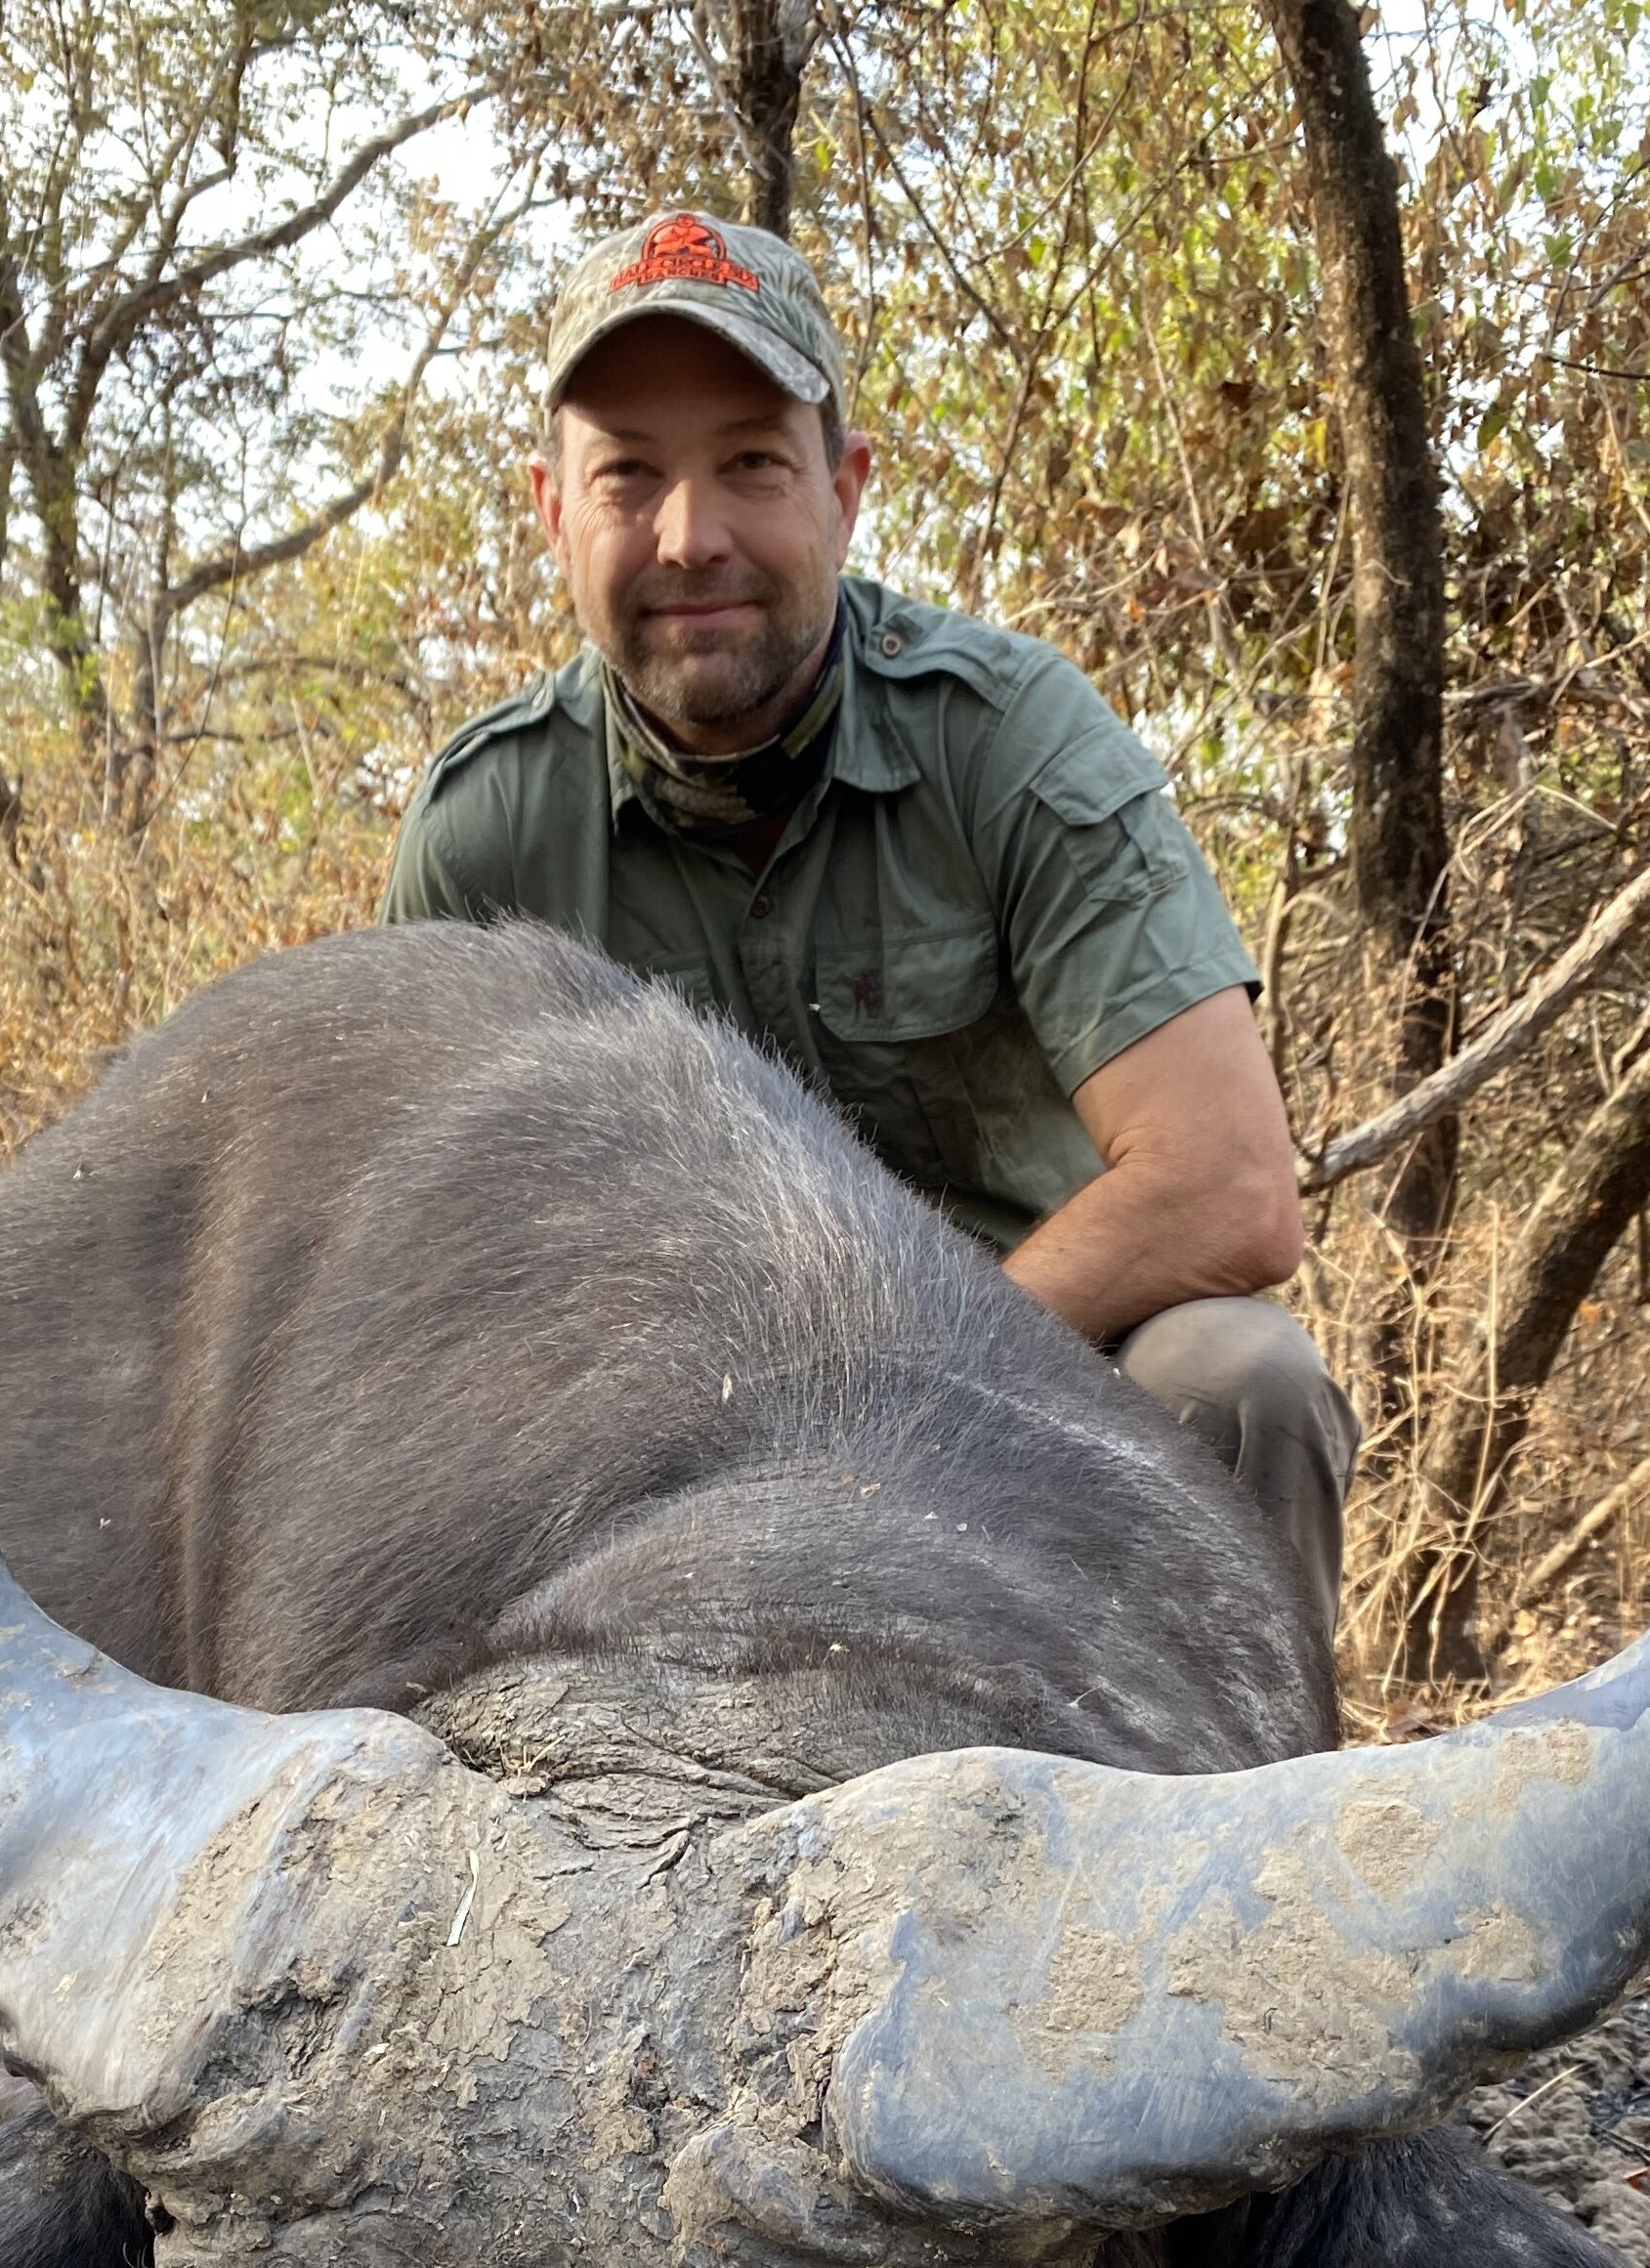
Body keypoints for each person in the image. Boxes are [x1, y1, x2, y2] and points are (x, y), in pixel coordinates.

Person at [382, 206, 1358, 1631]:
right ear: (551, 510)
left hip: (1028, 1368)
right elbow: (424, 1291)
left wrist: (889, 1384)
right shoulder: (482, 830)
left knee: (1241, 1385)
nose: (689, 535)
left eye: (752, 467)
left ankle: (1251, 1837)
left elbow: (1229, 1189)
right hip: (651, 1441)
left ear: (845, 489)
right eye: (629, 478)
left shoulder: (1013, 740)